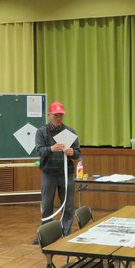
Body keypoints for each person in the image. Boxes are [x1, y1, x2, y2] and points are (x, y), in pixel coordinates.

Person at [34, 101, 80, 240]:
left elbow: (78, 153)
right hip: (49, 174)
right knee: (47, 204)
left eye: (60, 115)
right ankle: (46, 234)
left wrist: (72, 152)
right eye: (55, 115)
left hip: (66, 174)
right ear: (49, 116)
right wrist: (51, 149)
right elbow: (39, 151)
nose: (58, 118)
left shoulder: (70, 132)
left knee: (68, 205)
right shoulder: (41, 132)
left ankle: (66, 233)